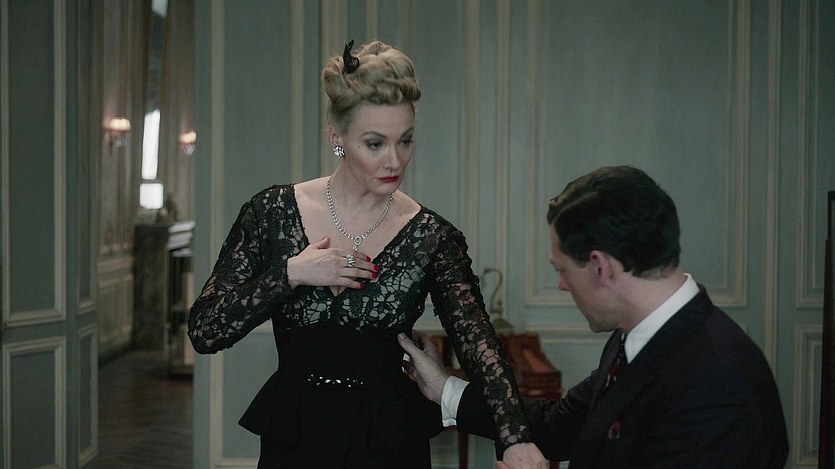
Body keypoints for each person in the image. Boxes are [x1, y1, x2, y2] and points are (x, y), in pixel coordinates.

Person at [188, 40, 546, 469]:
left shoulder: (431, 236)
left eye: (405, 141)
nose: (394, 160)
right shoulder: (272, 213)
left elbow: (479, 346)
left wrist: (516, 439)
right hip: (295, 439)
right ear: (337, 138)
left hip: (390, 442)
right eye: (375, 144)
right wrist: (291, 274)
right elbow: (206, 331)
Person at [399, 165, 790, 468]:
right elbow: (557, 427)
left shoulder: (718, 384)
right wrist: (445, 388)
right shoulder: (635, 338)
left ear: (601, 267)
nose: (561, 286)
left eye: (562, 270)